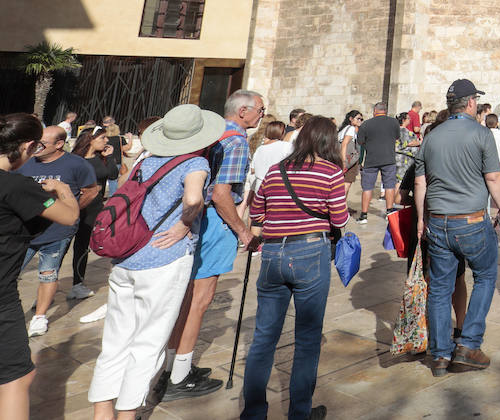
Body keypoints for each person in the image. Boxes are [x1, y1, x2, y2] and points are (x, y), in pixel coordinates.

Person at [87, 104, 215, 420]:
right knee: (148, 344)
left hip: (128, 257)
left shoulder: (147, 160)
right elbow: (194, 198)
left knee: (115, 343)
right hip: (163, 260)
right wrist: (184, 224)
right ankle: (128, 415)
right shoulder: (195, 162)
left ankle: (102, 414)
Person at [155, 89, 264, 402]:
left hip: (197, 218)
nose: (261, 114)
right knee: (200, 300)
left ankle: (173, 366)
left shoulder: (212, 134)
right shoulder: (238, 140)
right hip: (217, 220)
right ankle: (179, 377)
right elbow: (221, 192)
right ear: (242, 111)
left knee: (187, 296)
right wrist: (243, 231)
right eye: (259, 108)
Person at [241, 116, 347, 420]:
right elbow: (339, 219)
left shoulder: (276, 171)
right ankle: (299, 412)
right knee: (308, 338)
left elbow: (257, 213)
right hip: (310, 252)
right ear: (329, 141)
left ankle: (253, 413)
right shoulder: (330, 173)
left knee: (263, 338)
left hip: (274, 252)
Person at [415, 78, 500, 375]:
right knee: (485, 275)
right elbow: (493, 178)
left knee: (440, 288)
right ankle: (468, 344)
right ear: (471, 103)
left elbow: (420, 182)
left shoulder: (431, 136)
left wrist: (421, 218)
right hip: (471, 220)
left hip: (439, 221)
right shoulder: (482, 134)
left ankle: (440, 354)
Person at [1, 114, 79, 415]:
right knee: (16, 377)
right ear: (29, 146)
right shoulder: (16, 185)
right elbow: (68, 216)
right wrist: (64, 192)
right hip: (1, 297)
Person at [18, 124, 99, 336]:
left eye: (42, 143)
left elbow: (91, 191)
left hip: (56, 233)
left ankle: (40, 317)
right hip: (24, 231)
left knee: (48, 273)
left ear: (59, 144)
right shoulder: (25, 160)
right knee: (9, 273)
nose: (36, 147)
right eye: (35, 142)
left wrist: (68, 211)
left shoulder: (77, 165)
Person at [69, 127, 121, 301]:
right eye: (103, 138)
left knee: (83, 245)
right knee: (61, 246)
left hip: (95, 209)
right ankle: (48, 282)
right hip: (74, 206)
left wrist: (110, 157)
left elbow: (113, 175)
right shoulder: (74, 159)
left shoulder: (101, 158)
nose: (106, 141)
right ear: (91, 139)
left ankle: (78, 284)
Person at [356, 101, 400, 223]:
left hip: (371, 159)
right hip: (389, 158)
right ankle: (389, 211)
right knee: (389, 185)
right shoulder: (394, 122)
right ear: (385, 111)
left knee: (367, 187)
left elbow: (360, 141)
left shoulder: (366, 124)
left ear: (375, 111)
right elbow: (397, 137)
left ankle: (364, 215)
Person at [246, 119, 293, 201]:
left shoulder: (260, 149)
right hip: (277, 185)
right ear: (281, 132)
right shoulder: (287, 146)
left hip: (260, 185)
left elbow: (253, 169)